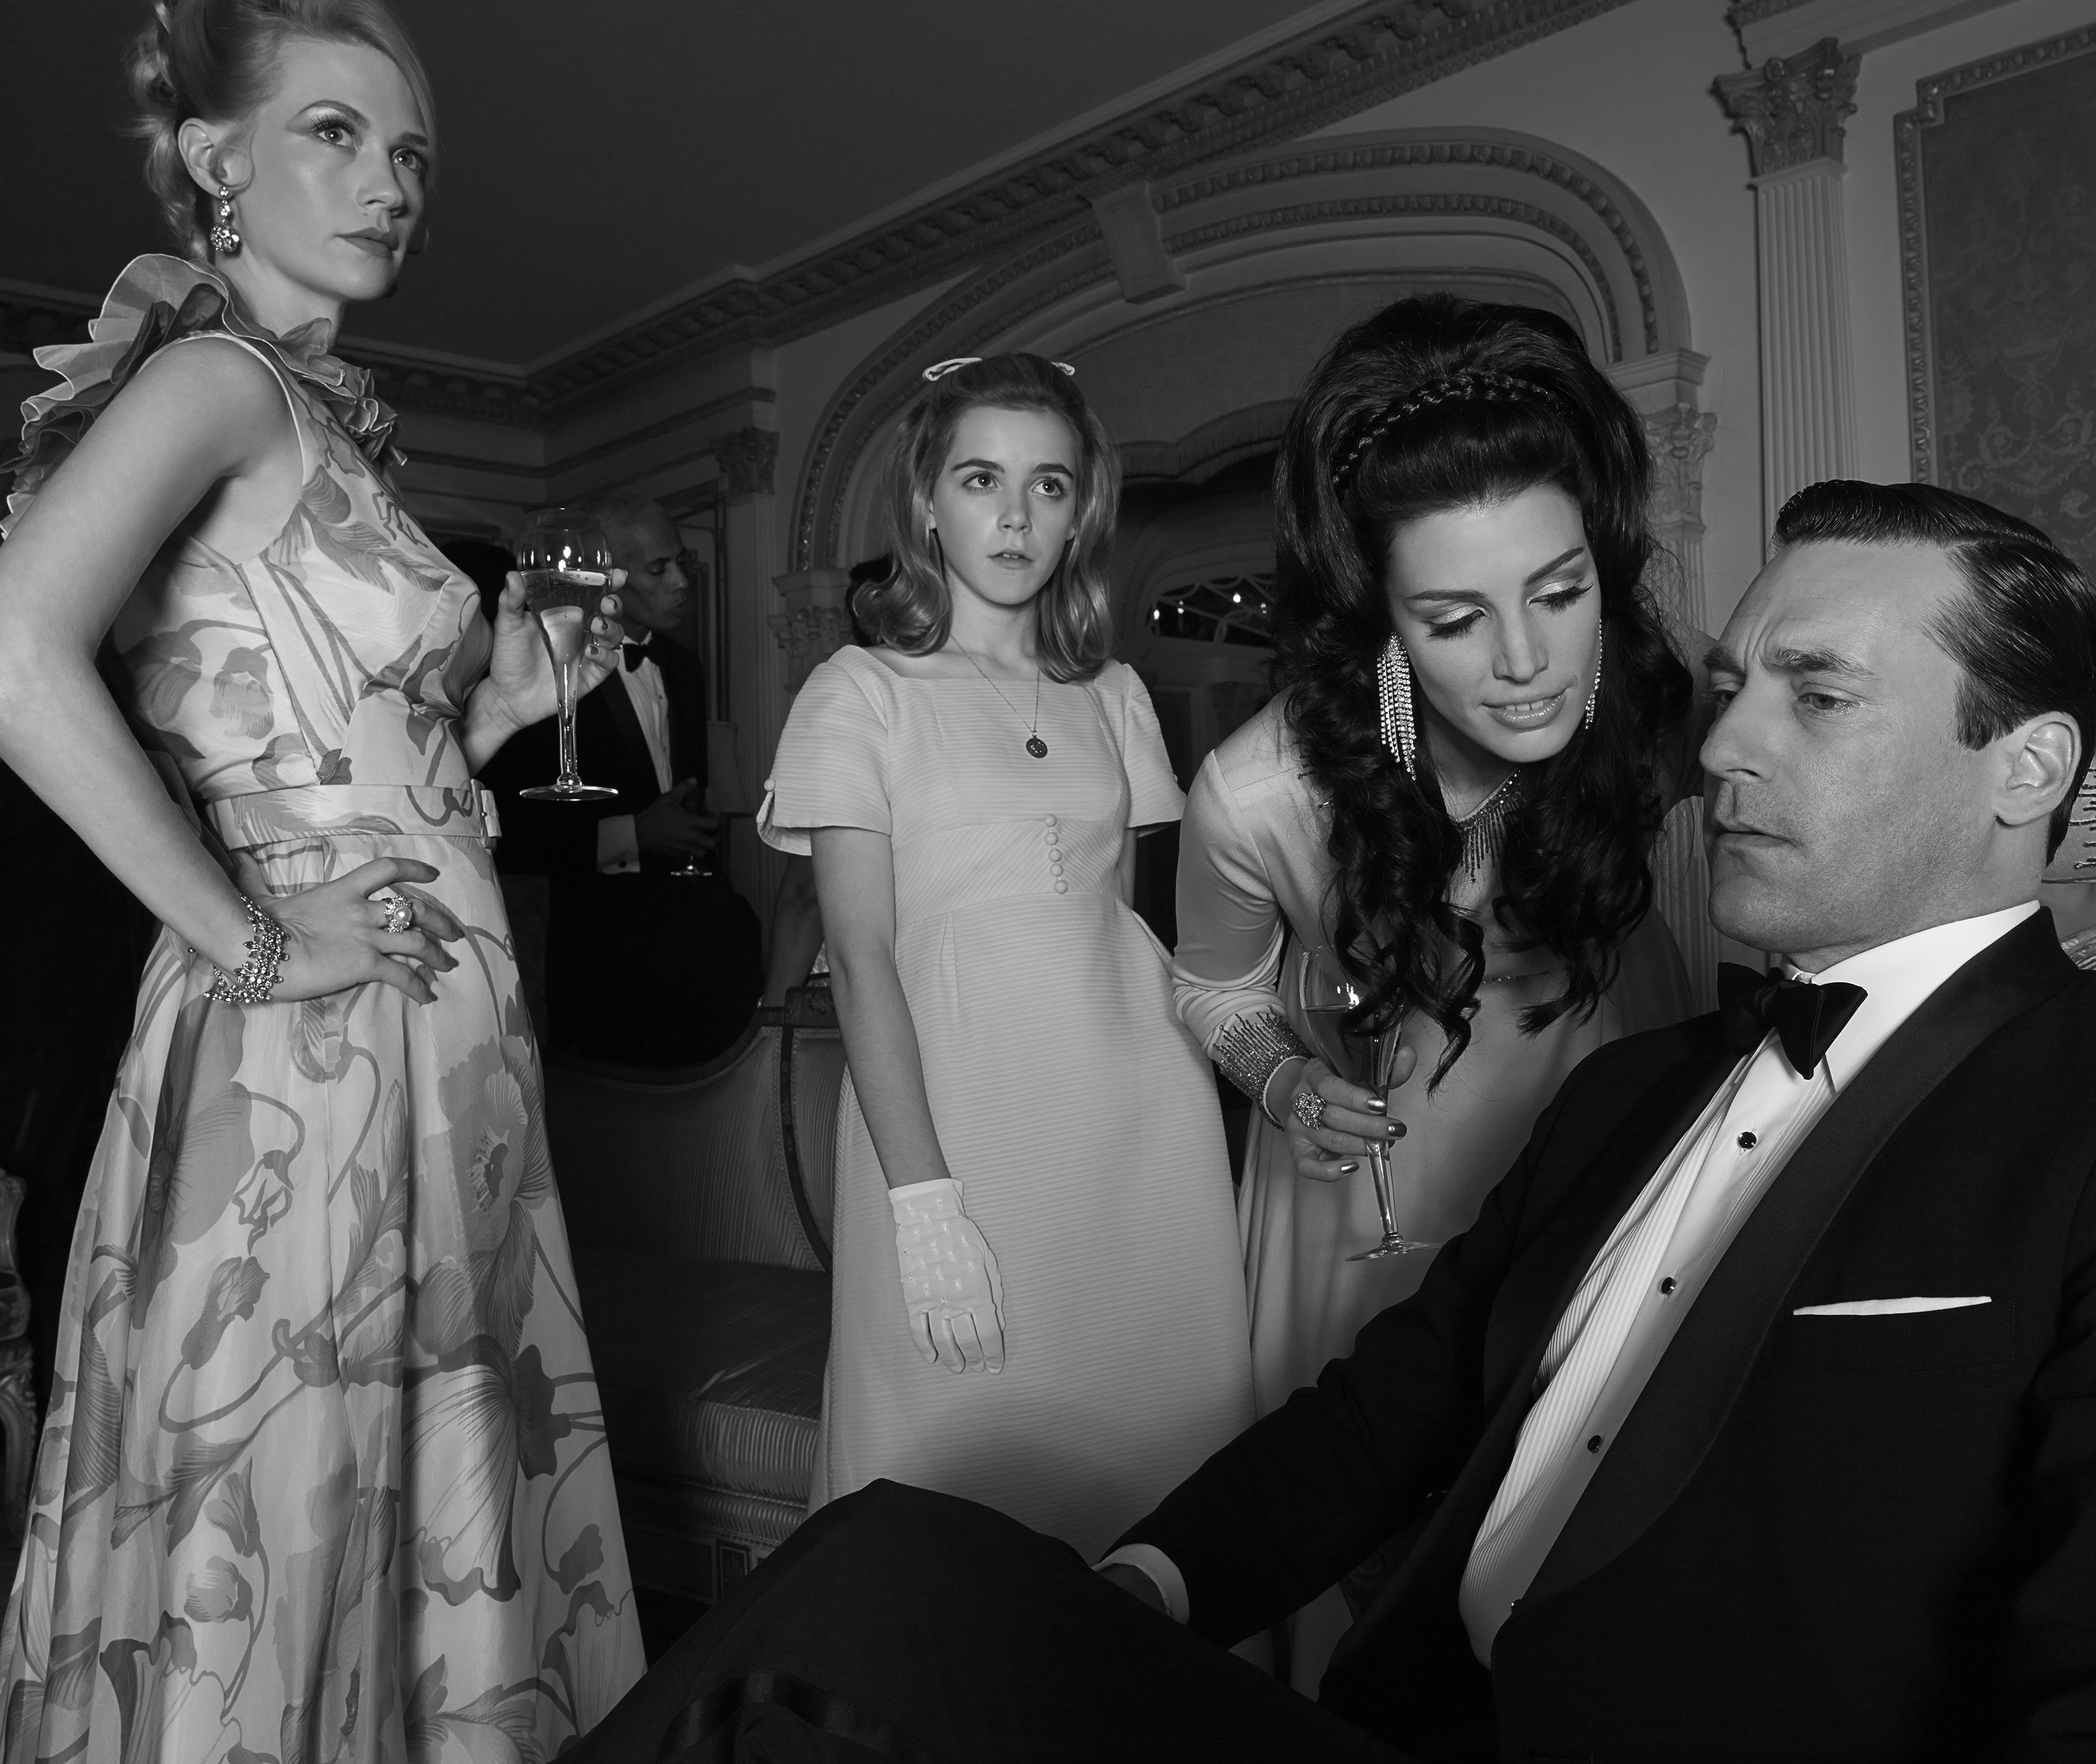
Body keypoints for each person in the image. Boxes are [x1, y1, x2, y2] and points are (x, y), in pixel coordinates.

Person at [569, 481, 2096, 1763]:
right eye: (1733, 687)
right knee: (882, 1564)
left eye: (1814, 697)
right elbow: (1382, 1415)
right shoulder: (1625, 1086)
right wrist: (1148, 1579)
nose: (1722, 748)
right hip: (1403, 1711)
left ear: (2028, 766)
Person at [1175, 290, 2096, 1690]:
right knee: (1381, 1495)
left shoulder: (1659, 708)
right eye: (1454, 618)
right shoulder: (1259, 791)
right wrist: (1283, 1078)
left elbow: (1952, 799)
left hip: (1613, 1103)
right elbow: (1210, 985)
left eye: (1561, 593)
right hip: (1374, 1171)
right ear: (1386, 618)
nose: (1527, 662)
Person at [0, 3, 644, 1754]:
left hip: (425, 1033)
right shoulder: (213, 381)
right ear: (218, 158)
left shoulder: (319, 419)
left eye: (409, 150)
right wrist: (251, 939)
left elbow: (348, 746)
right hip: (311, 1043)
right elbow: (15, 651)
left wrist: (497, 712)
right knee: (289, 1512)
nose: (391, 181)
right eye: (337, 134)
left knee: (404, 1507)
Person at [753, 353, 1254, 1558]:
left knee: (1156, 1450)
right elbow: (861, 959)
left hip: (1141, 1126)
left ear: (1082, 513)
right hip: (952, 1125)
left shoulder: (1115, 693)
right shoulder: (858, 690)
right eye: (982, 480)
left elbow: (1128, 926)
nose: (1017, 515)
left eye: (1049, 485)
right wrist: (923, 1202)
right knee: (946, 1464)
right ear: (927, 503)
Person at [480, 493, 765, 1065]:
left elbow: (681, 791)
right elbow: (516, 828)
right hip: (601, 955)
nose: (681, 582)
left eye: (681, 562)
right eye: (659, 569)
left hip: (694, 943)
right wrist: (635, 834)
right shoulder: (547, 670)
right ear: (609, 577)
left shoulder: (684, 667)